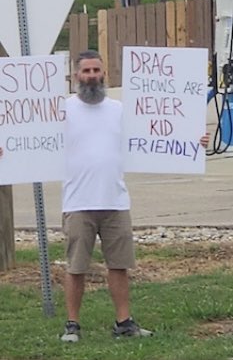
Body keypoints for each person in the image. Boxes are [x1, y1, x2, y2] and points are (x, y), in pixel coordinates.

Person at [21, 50, 207, 343]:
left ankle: (124, 322)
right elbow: (29, 137)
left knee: (119, 266)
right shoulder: (61, 111)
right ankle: (72, 325)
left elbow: (155, 135)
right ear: (75, 76)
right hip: (78, 202)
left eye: (97, 70)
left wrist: (192, 141)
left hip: (116, 202)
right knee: (76, 267)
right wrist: (8, 151)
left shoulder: (120, 110)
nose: (92, 76)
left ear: (104, 74)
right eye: (86, 71)